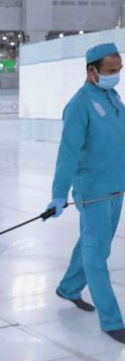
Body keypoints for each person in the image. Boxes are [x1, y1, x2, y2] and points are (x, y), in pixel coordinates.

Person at [46, 43, 125, 344]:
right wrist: (58, 194)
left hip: (117, 187)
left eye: (119, 70)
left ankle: (68, 288)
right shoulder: (79, 105)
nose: (116, 75)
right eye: (110, 71)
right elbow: (68, 153)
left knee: (92, 243)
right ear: (92, 70)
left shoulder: (113, 97)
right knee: (97, 253)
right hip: (94, 192)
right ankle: (111, 320)